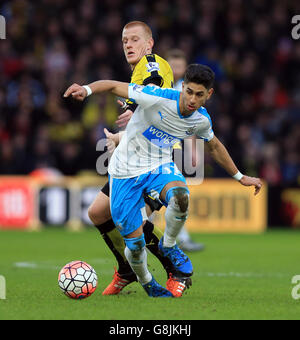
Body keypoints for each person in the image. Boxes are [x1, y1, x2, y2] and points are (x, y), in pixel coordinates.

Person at [64, 63, 263, 297]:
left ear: (209, 95)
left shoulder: (201, 120)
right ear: (182, 88)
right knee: (135, 247)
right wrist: (86, 90)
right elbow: (113, 85)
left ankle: (168, 245)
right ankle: (147, 282)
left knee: (180, 196)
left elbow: (215, 147)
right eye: (188, 91)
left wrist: (240, 177)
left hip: (159, 167)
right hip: (124, 173)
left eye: (199, 95)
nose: (192, 99)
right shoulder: (156, 97)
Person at [84, 21, 190, 297]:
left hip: (153, 160)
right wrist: (122, 136)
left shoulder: (152, 64)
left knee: (137, 220)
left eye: (134, 40)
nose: (128, 45)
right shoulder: (138, 73)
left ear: (149, 43)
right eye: (124, 41)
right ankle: (127, 269)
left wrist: (133, 109)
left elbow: (152, 88)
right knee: (98, 213)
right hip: (133, 157)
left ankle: (175, 268)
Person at [166, 49, 205, 252]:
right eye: (173, 65)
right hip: (155, 146)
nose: (176, 69)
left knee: (177, 193)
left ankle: (180, 237)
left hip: (175, 148)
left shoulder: (189, 92)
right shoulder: (158, 87)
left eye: (180, 66)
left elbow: (190, 123)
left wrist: (192, 149)